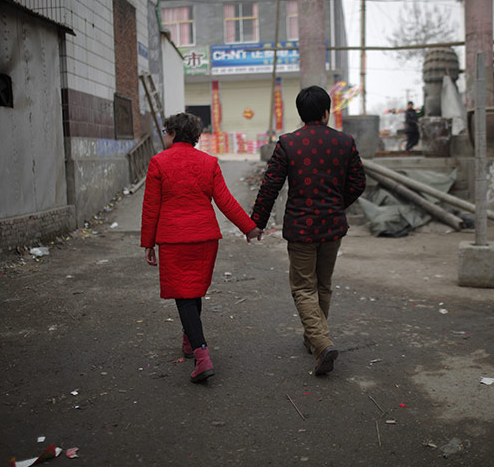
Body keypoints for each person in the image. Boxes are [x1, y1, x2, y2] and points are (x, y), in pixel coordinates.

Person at [250, 86, 366, 376]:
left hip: (301, 228)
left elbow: (270, 186)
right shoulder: (345, 142)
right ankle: (313, 337)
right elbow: (358, 183)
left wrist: (257, 223)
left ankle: (321, 341)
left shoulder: (288, 143)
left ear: (301, 114)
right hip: (332, 228)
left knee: (303, 287)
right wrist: (338, 204)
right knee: (323, 285)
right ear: (326, 112)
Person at [141, 112, 263, 383]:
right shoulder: (208, 162)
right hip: (205, 238)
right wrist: (249, 227)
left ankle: (202, 355)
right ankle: (189, 339)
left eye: (166, 132)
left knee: (184, 295)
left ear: (172, 133)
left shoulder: (158, 162)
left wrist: (148, 243)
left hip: (173, 239)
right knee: (192, 289)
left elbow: (151, 207)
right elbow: (226, 201)